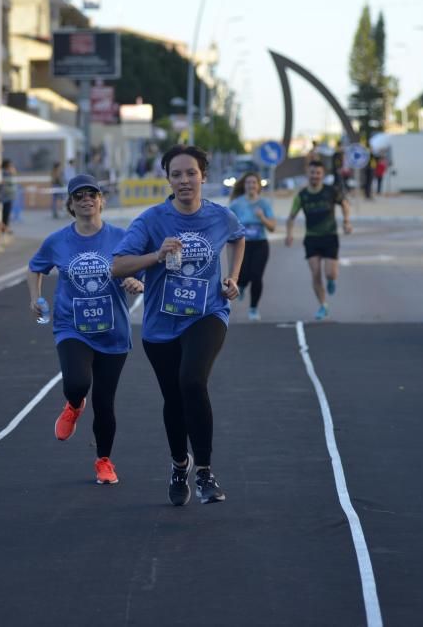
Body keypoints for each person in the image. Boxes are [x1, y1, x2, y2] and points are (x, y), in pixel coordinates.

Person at [112, 144, 245, 506]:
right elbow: (118, 266)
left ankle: (204, 471)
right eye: (176, 174)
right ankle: (178, 463)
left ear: (203, 175)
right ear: (168, 179)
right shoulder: (152, 221)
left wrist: (232, 277)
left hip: (208, 314)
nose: (184, 180)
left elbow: (238, 237)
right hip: (160, 324)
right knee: (173, 398)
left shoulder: (221, 216)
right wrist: (156, 256)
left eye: (191, 173)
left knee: (192, 380)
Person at [27, 174, 144, 485]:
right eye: (79, 196)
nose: (86, 200)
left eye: (92, 194)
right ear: (70, 204)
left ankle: (104, 461)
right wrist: (35, 297)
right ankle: (74, 404)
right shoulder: (57, 241)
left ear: (101, 200)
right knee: (77, 382)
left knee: (105, 403)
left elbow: (141, 269)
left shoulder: (122, 237)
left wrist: (136, 281)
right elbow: (35, 267)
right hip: (72, 327)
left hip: (113, 331)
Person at [285, 159, 353, 321]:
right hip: (312, 239)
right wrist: (289, 233)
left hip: (330, 237)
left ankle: (331, 280)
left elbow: (345, 204)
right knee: (315, 274)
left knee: (330, 273)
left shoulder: (331, 191)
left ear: (322, 175)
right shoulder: (302, 196)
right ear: (307, 174)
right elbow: (291, 217)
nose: (315, 176)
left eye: (318, 173)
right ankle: (323, 305)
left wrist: (346, 222)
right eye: (312, 173)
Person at [229, 171, 276, 321]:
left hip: (260, 244)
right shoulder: (236, 204)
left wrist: (262, 217)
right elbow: (229, 224)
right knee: (242, 274)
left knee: (256, 276)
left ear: (258, 186)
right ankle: (241, 285)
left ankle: (254, 308)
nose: (251, 185)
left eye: (254, 183)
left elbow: (272, 227)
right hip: (242, 245)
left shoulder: (264, 204)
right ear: (244, 185)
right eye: (248, 182)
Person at [0, 159, 16, 233]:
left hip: (9, 197)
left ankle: (6, 227)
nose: (12, 167)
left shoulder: (9, 174)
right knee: (5, 213)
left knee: (7, 213)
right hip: (6, 197)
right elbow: (5, 186)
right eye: (11, 166)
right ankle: (4, 228)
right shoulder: (5, 174)